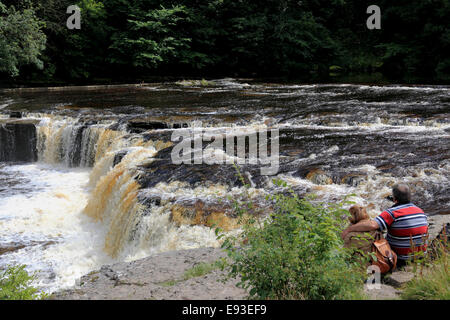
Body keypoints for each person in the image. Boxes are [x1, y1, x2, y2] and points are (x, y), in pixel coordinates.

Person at [341, 184, 429, 267]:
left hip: (400, 258)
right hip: (421, 256)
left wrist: (349, 229)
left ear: (394, 198)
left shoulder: (392, 212)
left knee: (374, 231)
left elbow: (372, 225)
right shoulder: (420, 211)